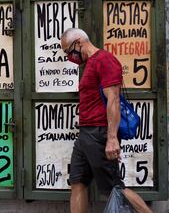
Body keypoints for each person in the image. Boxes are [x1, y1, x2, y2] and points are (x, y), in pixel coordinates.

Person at [60, 28, 153, 213]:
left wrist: (112, 138)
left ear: (78, 42)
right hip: (86, 134)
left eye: (68, 51)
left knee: (114, 186)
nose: (69, 57)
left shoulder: (104, 60)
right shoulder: (90, 64)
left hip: (99, 132)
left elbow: (114, 99)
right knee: (78, 182)